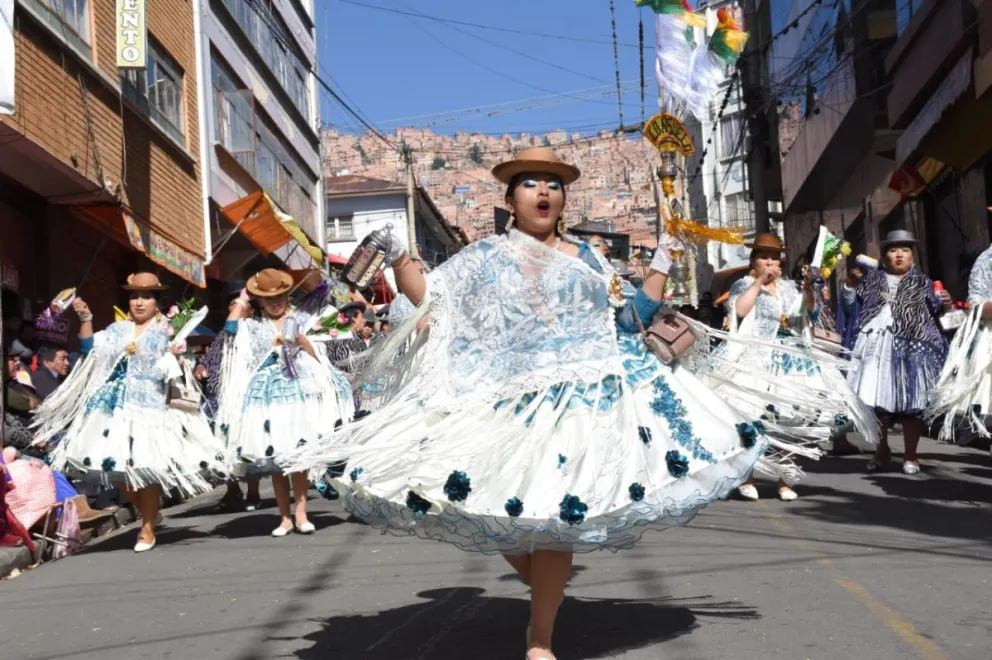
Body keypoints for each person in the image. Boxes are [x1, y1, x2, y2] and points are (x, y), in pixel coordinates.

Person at [282, 147, 766, 660]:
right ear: (510, 199)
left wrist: (664, 260)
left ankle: (540, 639)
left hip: (582, 403)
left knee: (556, 519)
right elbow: (429, 296)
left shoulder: (588, 258)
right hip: (503, 402)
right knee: (491, 508)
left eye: (554, 185)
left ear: (563, 200)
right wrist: (401, 257)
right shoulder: (485, 256)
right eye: (531, 183)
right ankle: (547, 596)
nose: (544, 192)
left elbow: (631, 319)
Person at [30, 273, 226, 552]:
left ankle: (146, 528)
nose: (139, 302)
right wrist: (85, 319)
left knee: (144, 467)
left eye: (145, 296)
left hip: (152, 407)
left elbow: (182, 366)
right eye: (134, 296)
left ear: (157, 302)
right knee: (116, 468)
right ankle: (149, 512)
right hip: (114, 407)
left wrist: (177, 355)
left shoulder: (168, 330)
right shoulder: (117, 330)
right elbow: (89, 348)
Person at [708, 233, 877, 501]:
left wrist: (808, 292)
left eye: (774, 257)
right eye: (763, 257)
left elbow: (807, 315)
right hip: (756, 355)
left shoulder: (788, 287)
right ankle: (747, 475)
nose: (769, 262)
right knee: (753, 415)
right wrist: (759, 284)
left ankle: (785, 478)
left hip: (792, 356)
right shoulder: (743, 284)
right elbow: (738, 311)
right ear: (754, 261)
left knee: (792, 418)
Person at [215, 268, 353, 536]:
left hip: (300, 392)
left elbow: (316, 355)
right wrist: (243, 299)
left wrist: (301, 340)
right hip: (267, 396)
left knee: (298, 456)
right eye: (268, 298)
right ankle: (284, 517)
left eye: (280, 296)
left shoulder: (301, 319)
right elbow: (230, 331)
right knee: (277, 458)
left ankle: (300, 514)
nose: (275, 302)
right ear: (260, 302)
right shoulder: (254, 328)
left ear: (287, 296)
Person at [847, 230, 950, 474]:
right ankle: (881, 450)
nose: (899, 255)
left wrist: (946, 302)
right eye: (893, 250)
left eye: (904, 250)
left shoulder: (924, 282)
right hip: (877, 348)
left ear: (912, 257)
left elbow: (941, 314)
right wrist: (849, 287)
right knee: (878, 402)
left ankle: (911, 456)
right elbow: (850, 309)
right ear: (884, 257)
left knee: (912, 403)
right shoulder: (870, 281)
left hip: (914, 348)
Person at [205, 281, 263, 512]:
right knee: (226, 442)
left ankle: (254, 492)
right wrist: (202, 367)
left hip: (250, 394)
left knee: (248, 443)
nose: (235, 309)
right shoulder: (223, 334)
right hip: (224, 397)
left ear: (250, 309)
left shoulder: (258, 329)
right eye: (231, 305)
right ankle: (232, 490)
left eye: (239, 304)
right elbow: (212, 359)